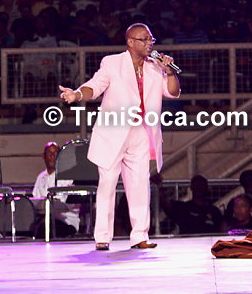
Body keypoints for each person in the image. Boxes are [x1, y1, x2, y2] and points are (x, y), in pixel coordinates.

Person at [59, 23, 180, 250]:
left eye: (151, 39)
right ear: (130, 42)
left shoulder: (156, 67)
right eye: (144, 39)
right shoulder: (112, 63)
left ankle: (140, 236)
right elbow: (95, 86)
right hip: (114, 132)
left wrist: (170, 71)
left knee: (140, 184)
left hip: (142, 132)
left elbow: (173, 92)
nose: (149, 43)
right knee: (107, 184)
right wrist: (76, 95)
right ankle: (103, 237)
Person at [32, 142, 79, 238]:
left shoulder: (68, 176)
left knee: (46, 228)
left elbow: (73, 204)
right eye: (49, 153)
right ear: (43, 156)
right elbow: (36, 201)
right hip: (45, 220)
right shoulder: (41, 177)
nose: (52, 156)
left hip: (66, 221)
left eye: (55, 153)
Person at [152, 174, 223, 234]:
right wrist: (159, 186)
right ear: (191, 187)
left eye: (201, 185)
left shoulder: (215, 211)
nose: (199, 188)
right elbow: (165, 204)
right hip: (187, 244)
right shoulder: (183, 208)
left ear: (207, 187)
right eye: (196, 185)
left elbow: (221, 231)